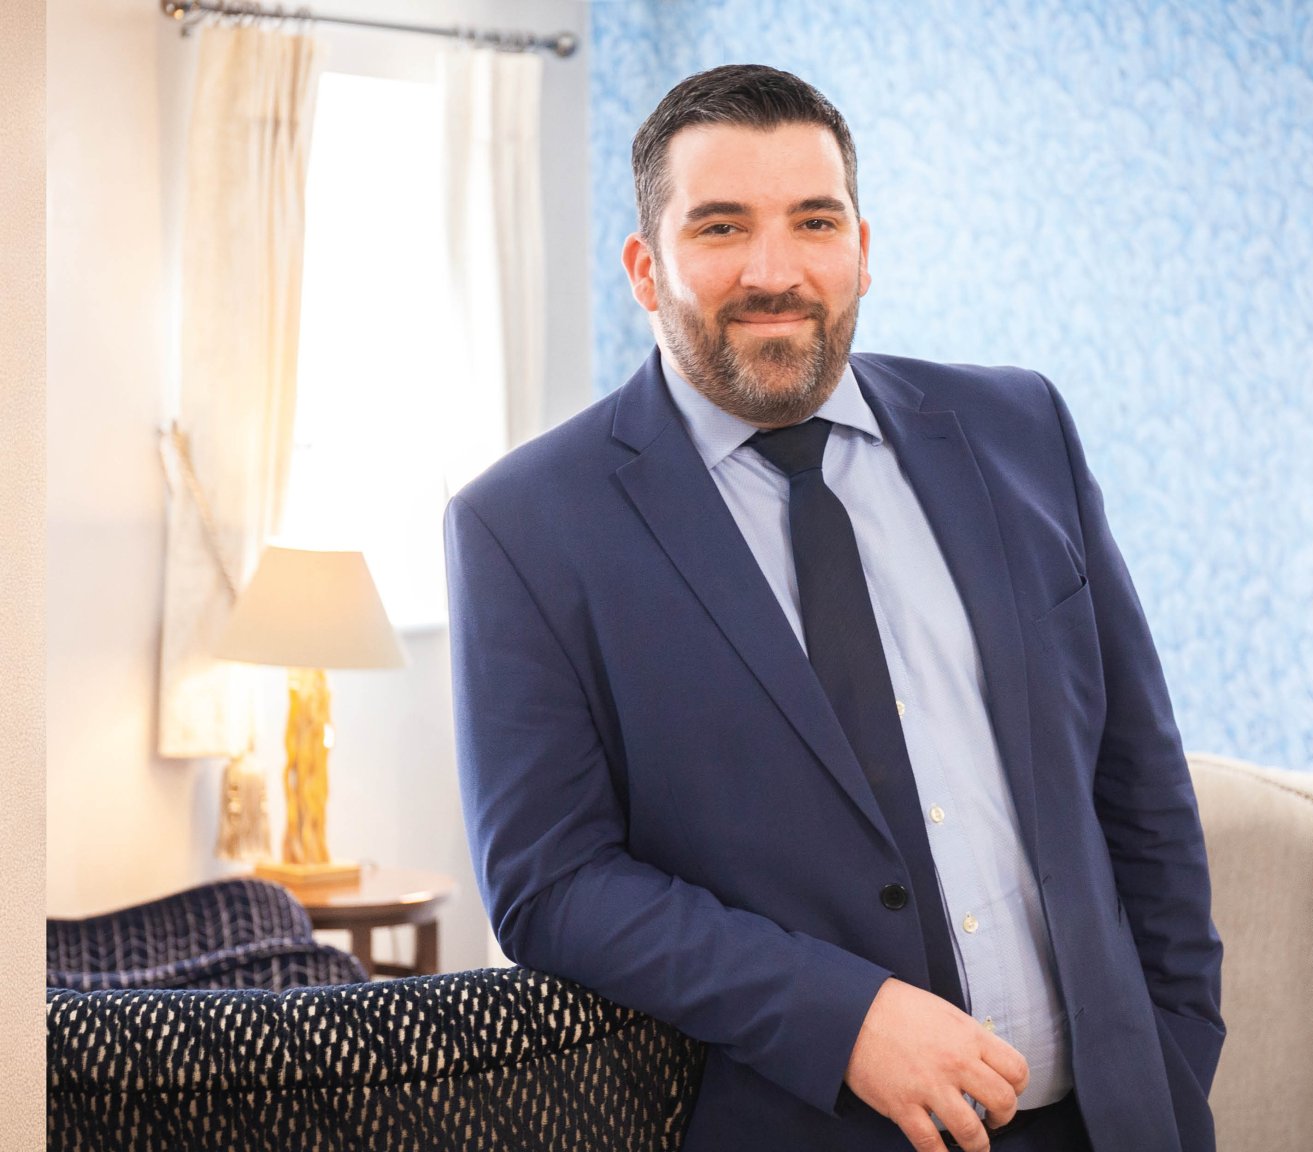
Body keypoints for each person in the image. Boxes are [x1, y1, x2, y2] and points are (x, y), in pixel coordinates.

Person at [446, 64, 1223, 1152]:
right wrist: (844, 1017)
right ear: (645, 268)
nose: (775, 271)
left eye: (814, 222)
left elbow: (1138, 781)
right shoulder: (524, 526)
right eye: (721, 227)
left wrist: (1178, 1044)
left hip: (1109, 1124)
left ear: (862, 248)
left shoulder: (1020, 427)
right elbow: (553, 885)